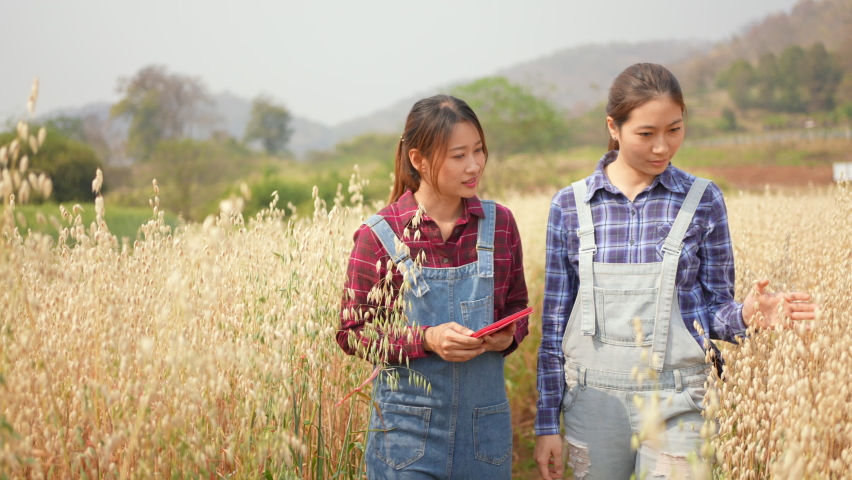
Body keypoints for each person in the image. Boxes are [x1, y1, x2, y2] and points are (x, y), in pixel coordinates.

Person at [533, 63, 818, 479]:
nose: (662, 147)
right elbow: (555, 323)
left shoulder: (703, 199)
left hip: (681, 398)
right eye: (646, 134)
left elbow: (710, 310)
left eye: (675, 130)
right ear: (614, 127)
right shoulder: (570, 206)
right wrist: (545, 424)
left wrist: (747, 315)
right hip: (591, 401)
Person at [337, 94, 529, 480]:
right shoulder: (380, 235)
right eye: (458, 156)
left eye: (478, 151)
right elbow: (352, 334)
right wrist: (426, 339)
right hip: (405, 435)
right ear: (419, 160)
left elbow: (517, 309)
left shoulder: (501, 224)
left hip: (485, 430)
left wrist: (504, 337)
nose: (474, 165)